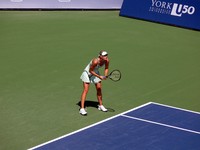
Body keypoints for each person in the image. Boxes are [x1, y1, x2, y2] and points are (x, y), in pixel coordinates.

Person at [79, 50, 109, 115]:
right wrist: (99, 76)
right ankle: (82, 109)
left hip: (95, 72)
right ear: (100, 56)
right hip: (87, 73)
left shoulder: (107, 60)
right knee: (86, 90)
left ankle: (100, 105)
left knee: (99, 88)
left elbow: (106, 68)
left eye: (106, 55)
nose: (106, 56)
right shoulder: (95, 61)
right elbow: (90, 70)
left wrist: (105, 75)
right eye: (104, 55)